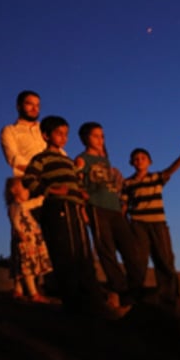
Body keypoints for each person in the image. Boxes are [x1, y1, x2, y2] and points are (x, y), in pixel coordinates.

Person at [23, 115, 111, 317]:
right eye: (59, 133)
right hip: (56, 209)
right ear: (45, 135)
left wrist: (81, 196)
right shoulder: (41, 159)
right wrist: (50, 190)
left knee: (83, 253)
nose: (63, 138)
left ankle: (93, 304)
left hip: (74, 210)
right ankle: (73, 305)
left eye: (66, 134)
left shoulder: (68, 161)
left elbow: (75, 183)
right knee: (65, 254)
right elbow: (29, 179)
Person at [75, 122, 143, 308]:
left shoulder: (106, 160)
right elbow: (78, 185)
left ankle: (133, 291)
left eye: (102, 136)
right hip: (96, 208)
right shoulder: (81, 159)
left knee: (132, 251)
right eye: (95, 136)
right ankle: (120, 290)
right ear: (85, 138)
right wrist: (83, 208)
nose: (100, 140)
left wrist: (120, 202)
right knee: (107, 251)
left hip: (115, 209)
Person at [124, 141, 180, 308]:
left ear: (149, 162)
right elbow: (124, 205)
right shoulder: (128, 183)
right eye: (136, 159)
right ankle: (134, 296)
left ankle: (169, 297)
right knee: (138, 261)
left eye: (143, 158)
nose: (139, 161)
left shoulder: (156, 178)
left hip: (157, 224)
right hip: (137, 225)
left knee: (164, 259)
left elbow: (171, 170)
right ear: (132, 163)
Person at [5, 176, 51, 302]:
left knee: (22, 266)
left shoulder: (22, 205)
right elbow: (14, 220)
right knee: (27, 267)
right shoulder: (15, 206)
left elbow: (35, 203)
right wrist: (19, 232)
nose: (27, 191)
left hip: (30, 238)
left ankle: (18, 291)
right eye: (24, 188)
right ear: (14, 190)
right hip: (25, 239)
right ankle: (33, 293)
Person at [0, 90, 45, 177]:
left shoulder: (45, 128)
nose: (35, 109)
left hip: (55, 181)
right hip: (28, 182)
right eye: (30, 104)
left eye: (37, 105)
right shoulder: (10, 130)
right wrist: (41, 172)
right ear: (19, 106)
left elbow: (59, 152)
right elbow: (14, 159)